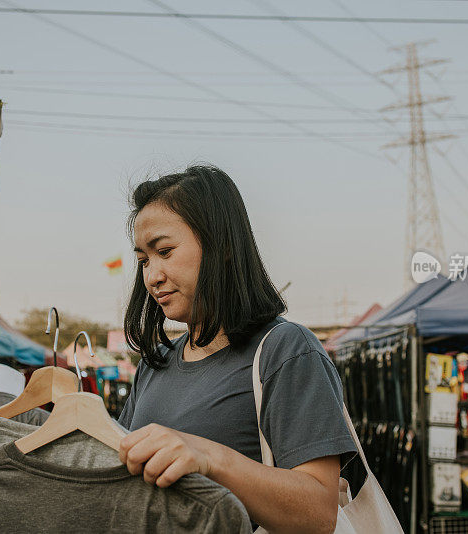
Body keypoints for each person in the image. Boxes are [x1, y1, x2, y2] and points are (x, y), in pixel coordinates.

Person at [117, 166, 356, 532]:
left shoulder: (286, 351)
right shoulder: (155, 364)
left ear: (223, 246)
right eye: (144, 260)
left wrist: (209, 457)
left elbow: (318, 513)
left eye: (165, 251)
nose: (152, 276)